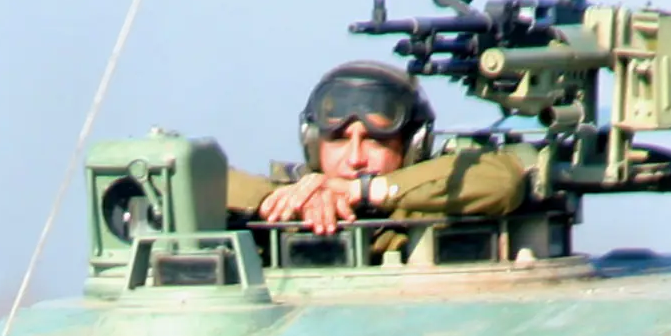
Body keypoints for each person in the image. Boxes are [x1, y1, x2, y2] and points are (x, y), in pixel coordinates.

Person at [229, 61, 539, 237]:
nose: (355, 159)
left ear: (412, 147)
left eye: (375, 141)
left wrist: (360, 191)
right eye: (338, 139)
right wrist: (277, 202)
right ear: (312, 143)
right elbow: (194, 177)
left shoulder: (427, 201)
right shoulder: (296, 195)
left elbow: (501, 181)